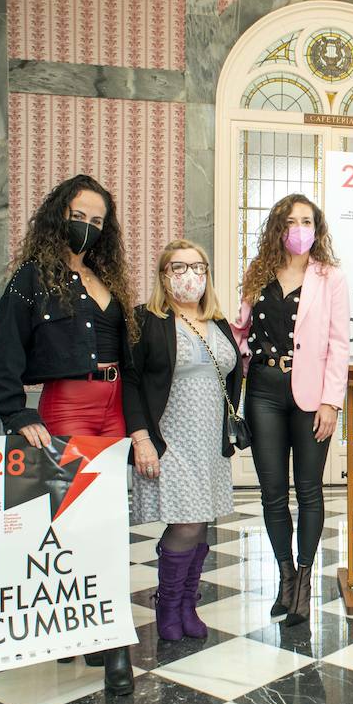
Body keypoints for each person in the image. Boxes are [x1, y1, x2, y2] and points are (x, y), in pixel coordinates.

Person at [0, 173, 138, 695]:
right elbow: (3, 351)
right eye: (79, 217)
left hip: (115, 407)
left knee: (112, 525)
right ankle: (115, 648)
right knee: (78, 525)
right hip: (67, 406)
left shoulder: (107, 280)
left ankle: (97, 630)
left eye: (98, 221)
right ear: (58, 216)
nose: (87, 228)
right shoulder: (32, 278)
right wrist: (16, 414)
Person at [236, 194, 349, 627]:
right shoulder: (257, 273)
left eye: (307, 220)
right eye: (291, 220)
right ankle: (284, 575)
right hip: (263, 389)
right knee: (271, 492)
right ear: (278, 228)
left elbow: (339, 343)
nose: (299, 227)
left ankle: (304, 580)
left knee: (309, 490)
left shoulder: (329, 277)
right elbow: (242, 330)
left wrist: (331, 402)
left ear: (316, 228)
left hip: (310, 396)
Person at [123, 240, 242, 642]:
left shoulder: (220, 323)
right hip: (169, 438)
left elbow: (231, 378)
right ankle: (168, 604)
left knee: (201, 521)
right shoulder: (147, 320)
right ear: (163, 276)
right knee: (187, 523)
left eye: (198, 267)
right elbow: (131, 382)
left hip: (210, 442)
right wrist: (141, 437)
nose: (190, 275)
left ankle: (187, 604)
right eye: (179, 267)